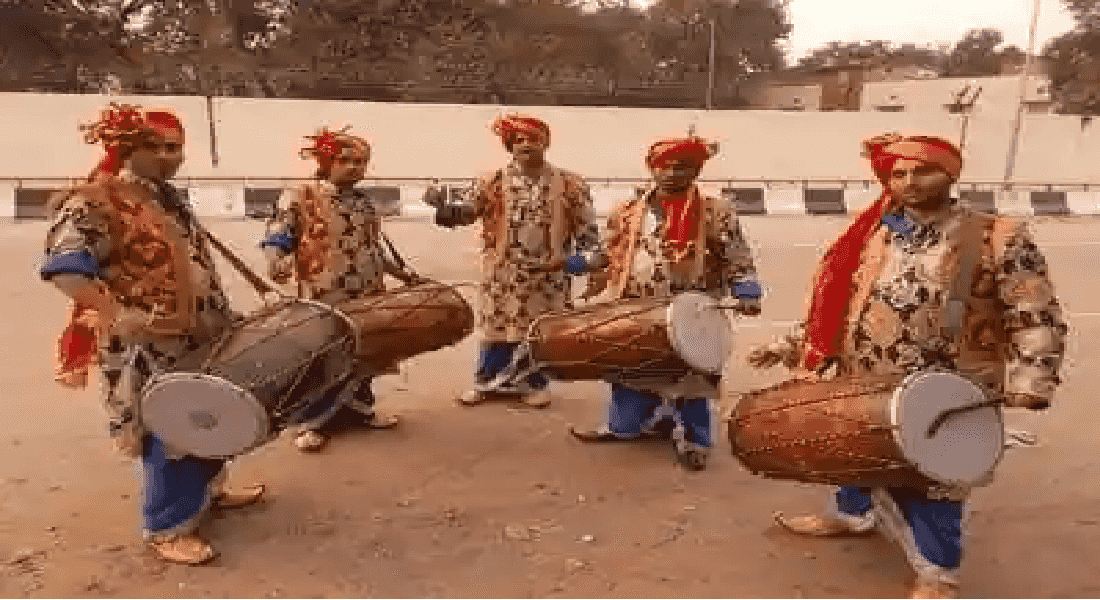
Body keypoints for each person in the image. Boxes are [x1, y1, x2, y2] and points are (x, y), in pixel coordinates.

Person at [748, 133, 1066, 599]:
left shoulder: (997, 236)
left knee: (938, 479)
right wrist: (790, 344)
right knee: (851, 449)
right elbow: (836, 306)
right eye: (899, 174)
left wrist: (1032, 376)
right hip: (866, 374)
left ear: (950, 174)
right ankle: (851, 515)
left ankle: (938, 573)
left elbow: (1034, 312)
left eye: (924, 171)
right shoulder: (872, 234)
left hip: (949, 381)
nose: (910, 183)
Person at [40, 103, 265, 565]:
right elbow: (65, 269)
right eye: (161, 148)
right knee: (169, 432)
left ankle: (210, 494)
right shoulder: (93, 201)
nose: (173, 157)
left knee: (209, 417)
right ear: (126, 148)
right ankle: (166, 527)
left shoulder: (164, 196)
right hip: (149, 347)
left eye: (178, 148)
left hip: (198, 335)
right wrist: (115, 313)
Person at [568, 135, 763, 470]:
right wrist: (577, 262)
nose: (672, 173)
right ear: (652, 168)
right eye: (664, 166)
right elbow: (607, 252)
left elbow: (737, 255)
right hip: (638, 308)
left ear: (697, 169)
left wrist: (746, 289)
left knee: (693, 377)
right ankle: (626, 427)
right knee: (631, 369)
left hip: (692, 310)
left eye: (682, 166)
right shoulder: (628, 212)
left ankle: (694, 439)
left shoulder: (717, 211)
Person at [261, 125, 415, 453]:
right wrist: (276, 261)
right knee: (321, 356)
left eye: (362, 162)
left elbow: (373, 249)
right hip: (323, 292)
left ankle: (359, 411)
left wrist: (403, 275)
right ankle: (310, 422)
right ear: (326, 160)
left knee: (363, 351)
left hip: (367, 291)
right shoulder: (300, 195)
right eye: (347, 160)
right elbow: (279, 232)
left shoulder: (363, 202)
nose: (355, 167)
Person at [439, 113, 602, 409]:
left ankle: (533, 384)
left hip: (548, 275)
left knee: (539, 332)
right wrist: (445, 209)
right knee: (496, 330)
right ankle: (486, 383)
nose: (526, 145)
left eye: (533, 139)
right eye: (518, 140)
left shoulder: (571, 184)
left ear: (546, 142)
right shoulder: (490, 182)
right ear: (509, 147)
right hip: (502, 274)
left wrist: (572, 263)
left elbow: (589, 236)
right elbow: (465, 212)